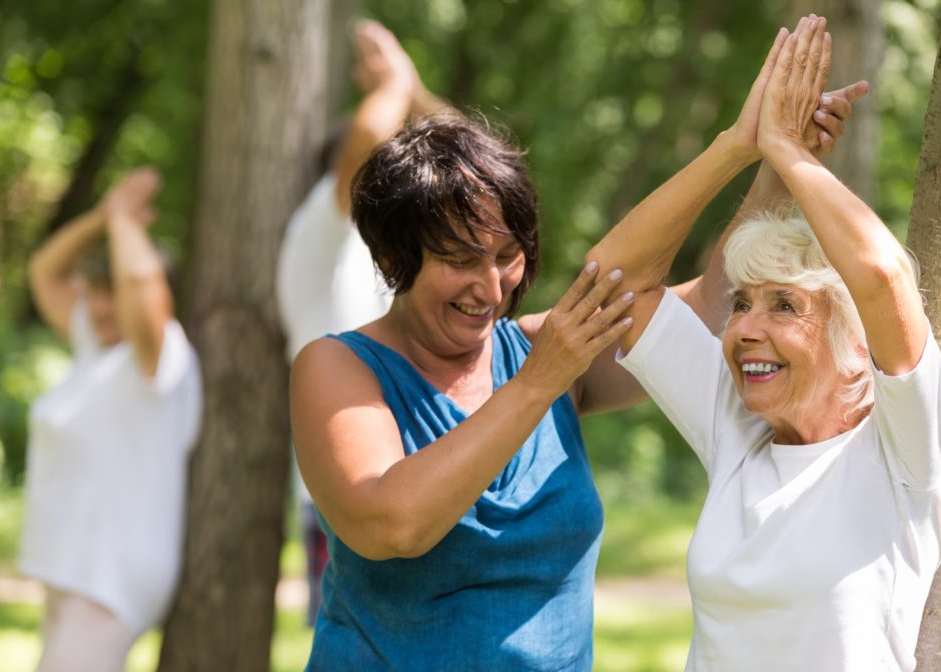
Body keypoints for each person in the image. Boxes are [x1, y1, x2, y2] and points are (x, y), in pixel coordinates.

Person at [289, 72, 857, 667]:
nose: (489, 286)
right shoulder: (337, 366)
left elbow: (713, 303)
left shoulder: (546, 347)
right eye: (459, 260)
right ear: (392, 257)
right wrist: (539, 381)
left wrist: (765, 155)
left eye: (507, 256)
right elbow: (392, 525)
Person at [588, 16, 941, 670]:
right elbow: (614, 279)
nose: (744, 330)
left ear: (855, 346)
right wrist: (740, 145)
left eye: (783, 305)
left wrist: (787, 151)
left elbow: (881, 275)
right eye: (741, 303)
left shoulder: (905, 448)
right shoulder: (737, 425)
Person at [275, 19, 448, 625]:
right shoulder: (323, 229)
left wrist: (415, 89)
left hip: (423, 474)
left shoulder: (395, 247)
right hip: (357, 486)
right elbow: (372, 133)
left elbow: (479, 168)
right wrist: (394, 82)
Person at [20, 168, 203, 672]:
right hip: (73, 573)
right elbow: (45, 270)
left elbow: (141, 284)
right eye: (95, 291)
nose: (100, 307)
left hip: (109, 578)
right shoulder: (96, 350)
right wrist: (105, 215)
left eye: (112, 293)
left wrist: (125, 223)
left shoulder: (158, 358)